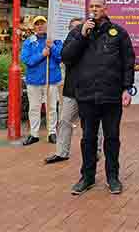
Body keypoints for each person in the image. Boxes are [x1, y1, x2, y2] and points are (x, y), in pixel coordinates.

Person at [62, 0, 135, 196]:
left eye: (98, 6)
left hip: (111, 96)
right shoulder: (78, 31)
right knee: (88, 138)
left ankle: (113, 177)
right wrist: (82, 36)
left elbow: (128, 62)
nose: (94, 9)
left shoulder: (118, 33)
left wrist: (127, 88)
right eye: (91, 6)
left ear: (105, 8)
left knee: (112, 138)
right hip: (86, 96)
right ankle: (87, 177)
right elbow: (66, 57)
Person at [44, 18, 103, 164]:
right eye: (73, 27)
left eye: (80, 26)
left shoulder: (92, 41)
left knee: (94, 122)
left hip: (90, 90)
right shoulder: (70, 42)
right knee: (64, 120)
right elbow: (65, 58)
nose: (77, 29)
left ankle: (96, 150)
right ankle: (61, 152)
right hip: (72, 90)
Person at [21, 16, 63, 146]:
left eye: (42, 23)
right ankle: (34, 134)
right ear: (34, 27)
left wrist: (52, 47)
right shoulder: (29, 42)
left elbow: (61, 57)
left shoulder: (55, 40)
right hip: (34, 81)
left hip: (51, 80)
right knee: (34, 108)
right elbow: (27, 60)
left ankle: (52, 132)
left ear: (47, 25)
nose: (40, 26)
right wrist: (42, 55)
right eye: (37, 24)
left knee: (51, 107)